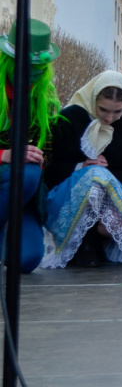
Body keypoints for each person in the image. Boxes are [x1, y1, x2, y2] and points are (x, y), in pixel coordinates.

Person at [43, 71, 122, 268]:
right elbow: (50, 167)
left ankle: (93, 239)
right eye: (103, 110)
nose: (110, 118)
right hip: (67, 195)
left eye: (118, 112)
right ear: (93, 99)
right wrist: (81, 168)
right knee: (94, 176)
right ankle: (85, 244)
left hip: (115, 196)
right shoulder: (68, 119)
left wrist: (107, 179)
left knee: (116, 217)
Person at [0, 19, 61, 272]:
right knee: (27, 174)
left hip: (19, 193)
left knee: (26, 260)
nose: (35, 73)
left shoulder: (46, 101)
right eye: (29, 66)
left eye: (40, 66)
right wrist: (4, 155)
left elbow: (51, 156)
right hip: (10, 177)